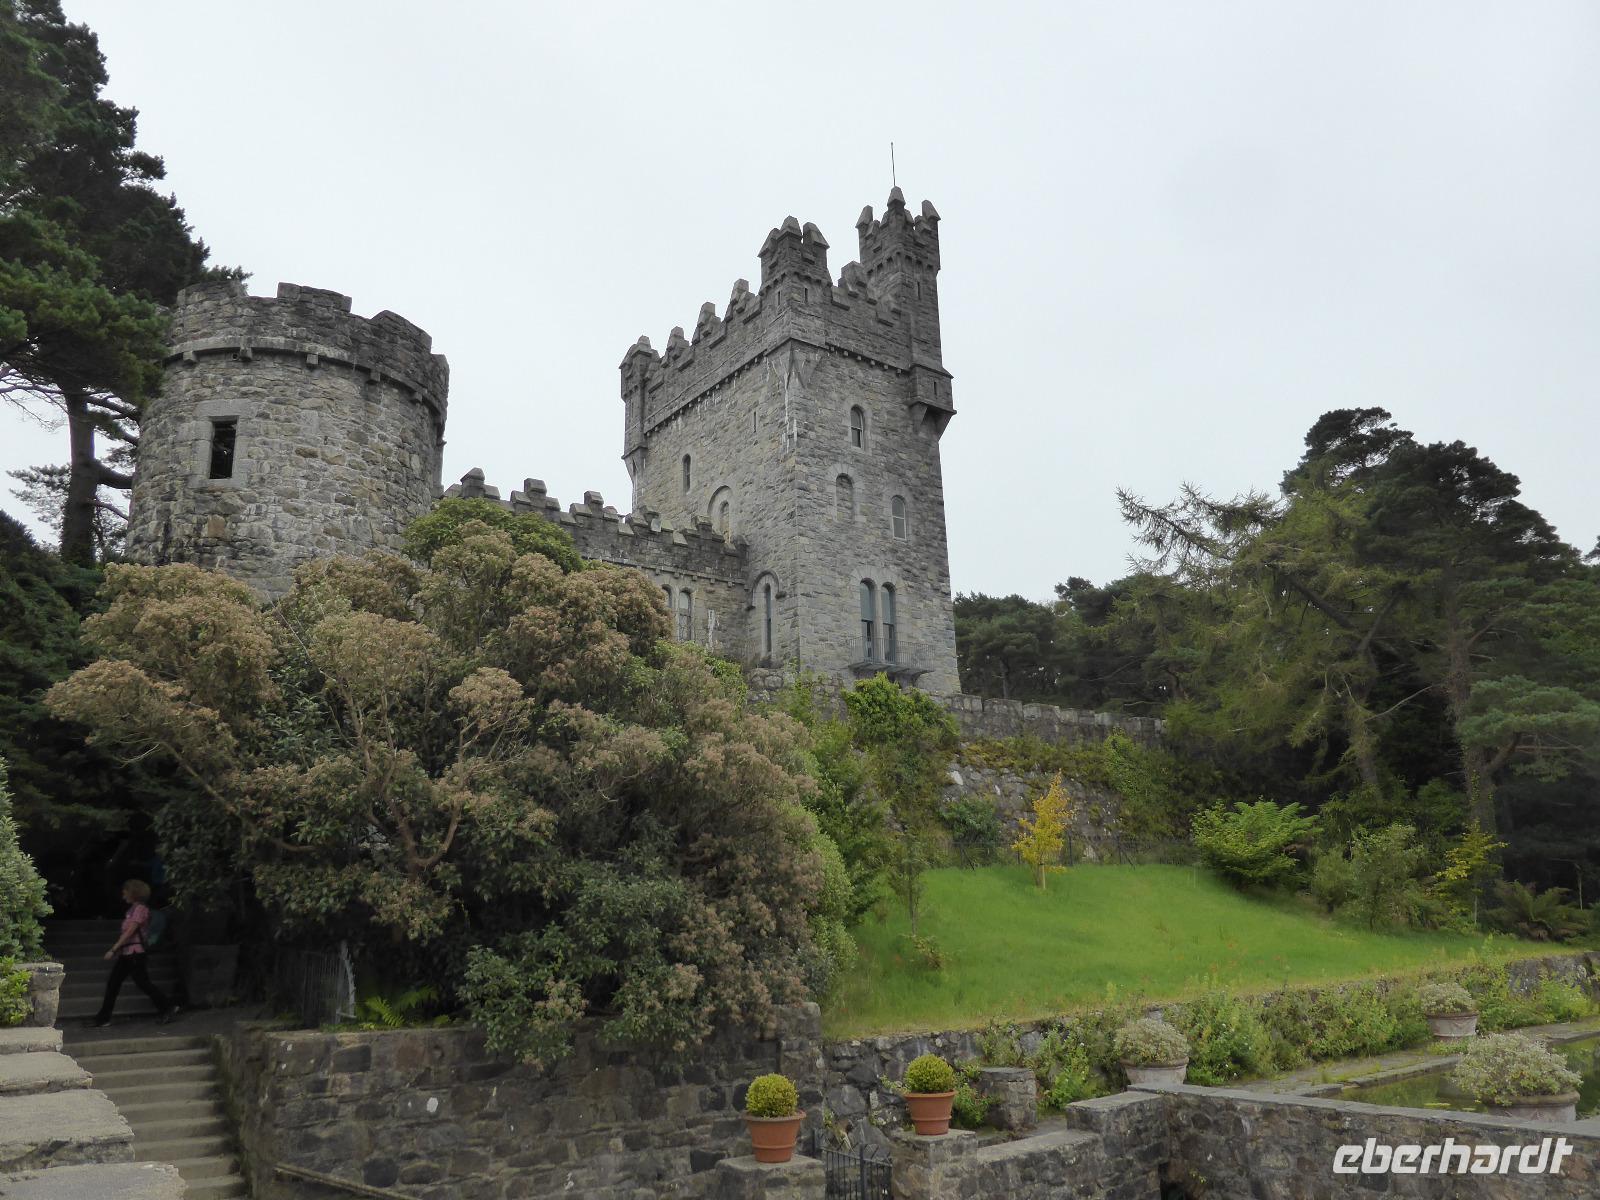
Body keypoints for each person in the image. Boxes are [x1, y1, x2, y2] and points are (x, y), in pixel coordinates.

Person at [91, 879, 179, 1027]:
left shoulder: (140, 909)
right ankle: (103, 1017)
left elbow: (130, 932)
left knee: (141, 983)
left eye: (126, 891)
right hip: (128, 953)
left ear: (134, 893)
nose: (123, 894)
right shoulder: (132, 910)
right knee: (116, 983)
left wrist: (113, 949)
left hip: (135, 953)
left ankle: (167, 1007)